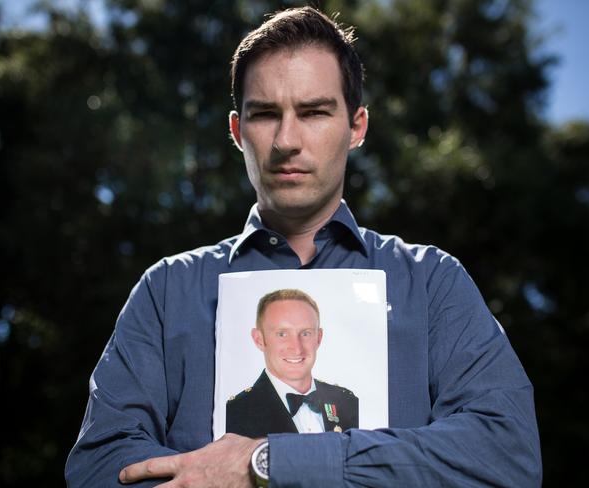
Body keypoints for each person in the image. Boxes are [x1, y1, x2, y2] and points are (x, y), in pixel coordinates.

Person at [65, 6, 542, 487]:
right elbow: (98, 468)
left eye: (314, 112)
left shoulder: (432, 282)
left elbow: (508, 455)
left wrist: (266, 465)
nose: (286, 140)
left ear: (356, 127)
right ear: (237, 132)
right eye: (265, 114)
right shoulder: (167, 290)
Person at [225, 289, 358, 437]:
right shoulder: (234, 413)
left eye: (306, 333)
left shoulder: (348, 402)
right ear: (259, 339)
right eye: (282, 334)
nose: (296, 348)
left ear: (318, 338)